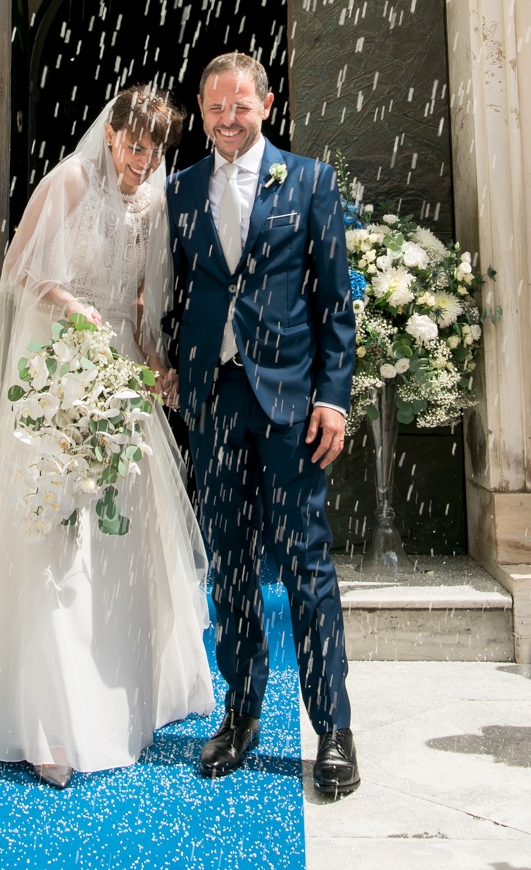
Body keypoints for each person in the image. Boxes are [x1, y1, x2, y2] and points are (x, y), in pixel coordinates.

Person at [0, 85, 214, 785]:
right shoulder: (69, 181)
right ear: (112, 134)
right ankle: (52, 716)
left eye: (154, 150)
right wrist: (71, 308)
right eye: (134, 145)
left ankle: (127, 688)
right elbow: (18, 271)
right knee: (59, 531)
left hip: (119, 375)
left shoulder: (152, 199)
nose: (142, 160)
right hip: (61, 373)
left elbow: (145, 298)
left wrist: (155, 361)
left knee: (124, 530)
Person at [165, 52, 359, 798]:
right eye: (215, 107)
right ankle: (241, 711)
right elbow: (177, 289)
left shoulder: (308, 180)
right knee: (231, 564)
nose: (227, 117)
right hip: (214, 403)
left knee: (306, 564)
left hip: (289, 404)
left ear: (266, 105)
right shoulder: (180, 190)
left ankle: (333, 728)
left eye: (240, 105)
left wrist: (333, 397)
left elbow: (335, 302)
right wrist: (173, 359)